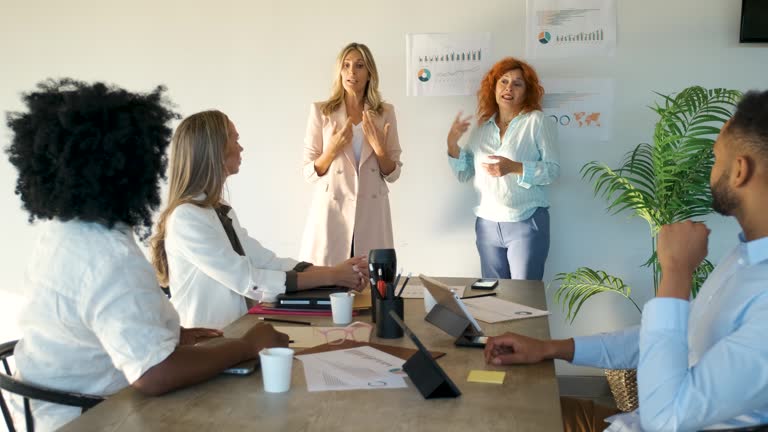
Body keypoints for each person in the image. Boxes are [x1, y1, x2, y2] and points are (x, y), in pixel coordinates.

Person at [5, 79, 289, 431]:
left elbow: (97, 322)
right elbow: (154, 375)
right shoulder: (107, 255)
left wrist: (174, 333)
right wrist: (247, 344)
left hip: (50, 411)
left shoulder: (62, 234)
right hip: (88, 418)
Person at [483, 90, 768, 431]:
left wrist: (676, 271)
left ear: (739, 171)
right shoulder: (745, 258)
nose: (711, 168)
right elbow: (672, 338)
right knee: (495, 404)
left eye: (716, 157)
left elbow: (668, 419)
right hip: (628, 422)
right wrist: (548, 348)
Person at [150, 110, 368, 330]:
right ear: (215, 150)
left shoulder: (220, 210)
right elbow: (249, 280)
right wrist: (333, 275)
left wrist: (339, 273)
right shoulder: (186, 218)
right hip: (208, 342)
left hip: (236, 334)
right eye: (235, 139)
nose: (241, 147)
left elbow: (267, 263)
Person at [446, 57, 559, 280]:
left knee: (523, 300)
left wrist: (514, 167)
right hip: (487, 225)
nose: (509, 88)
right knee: (494, 299)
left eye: (517, 83)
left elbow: (552, 170)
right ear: (494, 87)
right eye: (503, 81)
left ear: (527, 92)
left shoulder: (536, 121)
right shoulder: (482, 128)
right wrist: (452, 144)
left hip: (526, 222)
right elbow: (465, 172)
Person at [300, 42, 403, 265]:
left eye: (359, 66)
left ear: (369, 73)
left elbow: (393, 174)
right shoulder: (321, 111)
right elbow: (309, 172)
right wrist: (332, 149)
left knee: (371, 283)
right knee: (330, 284)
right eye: (346, 65)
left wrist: (379, 149)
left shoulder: (385, 112)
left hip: (371, 211)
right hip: (333, 211)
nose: (351, 72)